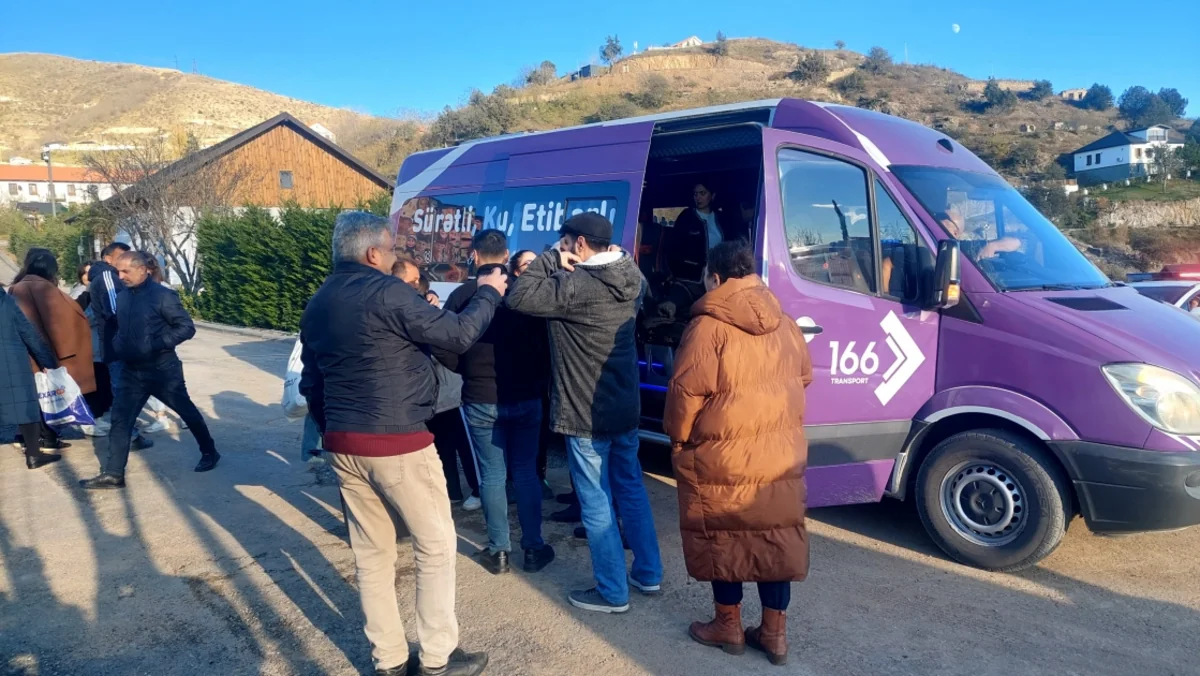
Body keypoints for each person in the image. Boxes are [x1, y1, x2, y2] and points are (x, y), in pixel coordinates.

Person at [300, 212, 504, 676]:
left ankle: (389, 660)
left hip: (343, 443)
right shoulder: (387, 291)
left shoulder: (318, 301)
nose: (394, 257)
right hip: (397, 439)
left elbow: (312, 382)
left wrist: (333, 430)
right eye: (391, 249)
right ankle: (437, 659)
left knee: (372, 556)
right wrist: (489, 292)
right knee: (435, 546)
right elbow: (457, 334)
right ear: (373, 253)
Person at [664, 241, 812, 666]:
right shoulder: (785, 322)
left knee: (723, 534)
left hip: (722, 452)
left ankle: (727, 626)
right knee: (776, 534)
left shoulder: (707, 328)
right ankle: (774, 636)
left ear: (715, 277)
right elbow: (804, 376)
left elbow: (685, 394)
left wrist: (679, 440)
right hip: (779, 449)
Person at [507, 212, 663, 614]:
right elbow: (624, 266)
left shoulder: (574, 287)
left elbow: (518, 296)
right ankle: (648, 573)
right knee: (631, 488)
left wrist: (548, 258)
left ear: (578, 244)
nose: (560, 248)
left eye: (563, 242)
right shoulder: (631, 277)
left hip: (584, 412)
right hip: (625, 406)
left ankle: (612, 592)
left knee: (596, 502)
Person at [439, 229, 554, 575]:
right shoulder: (525, 293)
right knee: (526, 472)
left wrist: (468, 371)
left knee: (492, 474)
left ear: (474, 256)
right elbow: (547, 346)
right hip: (526, 395)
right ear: (506, 256)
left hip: (480, 397)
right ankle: (533, 548)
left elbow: (444, 347)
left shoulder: (461, 296)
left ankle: (499, 550)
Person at [79, 251, 219, 490]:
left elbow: (186, 327)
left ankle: (209, 452)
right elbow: (120, 328)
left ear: (143, 270)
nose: (120, 276)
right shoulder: (123, 297)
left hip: (163, 369)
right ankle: (113, 473)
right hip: (131, 371)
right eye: (118, 272)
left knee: (187, 412)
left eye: (126, 271)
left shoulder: (163, 296)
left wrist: (155, 344)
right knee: (121, 420)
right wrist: (119, 345)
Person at [394, 260, 481, 510]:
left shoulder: (430, 314)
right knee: (446, 446)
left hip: (448, 394)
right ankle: (455, 490)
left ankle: (474, 489)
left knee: (461, 445)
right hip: (434, 397)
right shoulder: (413, 314)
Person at [9, 248, 95, 451]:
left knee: (38, 395)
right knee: (46, 394)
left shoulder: (20, 286)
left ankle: (39, 437)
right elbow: (56, 322)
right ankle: (44, 438)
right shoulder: (41, 288)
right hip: (44, 351)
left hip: (30, 352)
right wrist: (51, 358)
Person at [87, 242, 152, 450]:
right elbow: (116, 312)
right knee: (124, 393)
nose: (126, 262)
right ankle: (128, 437)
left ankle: (128, 434)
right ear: (108, 259)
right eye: (122, 257)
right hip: (118, 347)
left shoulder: (111, 277)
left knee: (127, 391)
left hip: (119, 346)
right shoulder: (107, 276)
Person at [1, 282, 65, 470]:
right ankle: (33, 454)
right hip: (11, 362)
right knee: (25, 407)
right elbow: (28, 333)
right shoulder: (7, 302)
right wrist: (48, 362)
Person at [937, 203, 1021, 261]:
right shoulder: (929, 237)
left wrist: (993, 246)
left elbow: (1016, 243)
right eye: (940, 215)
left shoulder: (965, 247)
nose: (938, 219)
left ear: (955, 232)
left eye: (944, 217)